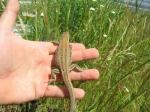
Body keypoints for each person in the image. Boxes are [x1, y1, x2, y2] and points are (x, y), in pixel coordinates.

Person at [0, 0, 99, 104]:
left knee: (62, 74)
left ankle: (54, 79)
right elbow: (69, 48)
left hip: (60, 69)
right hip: (65, 67)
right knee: (74, 67)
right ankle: (80, 70)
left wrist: (53, 42)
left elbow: (55, 42)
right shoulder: (68, 46)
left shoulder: (58, 43)